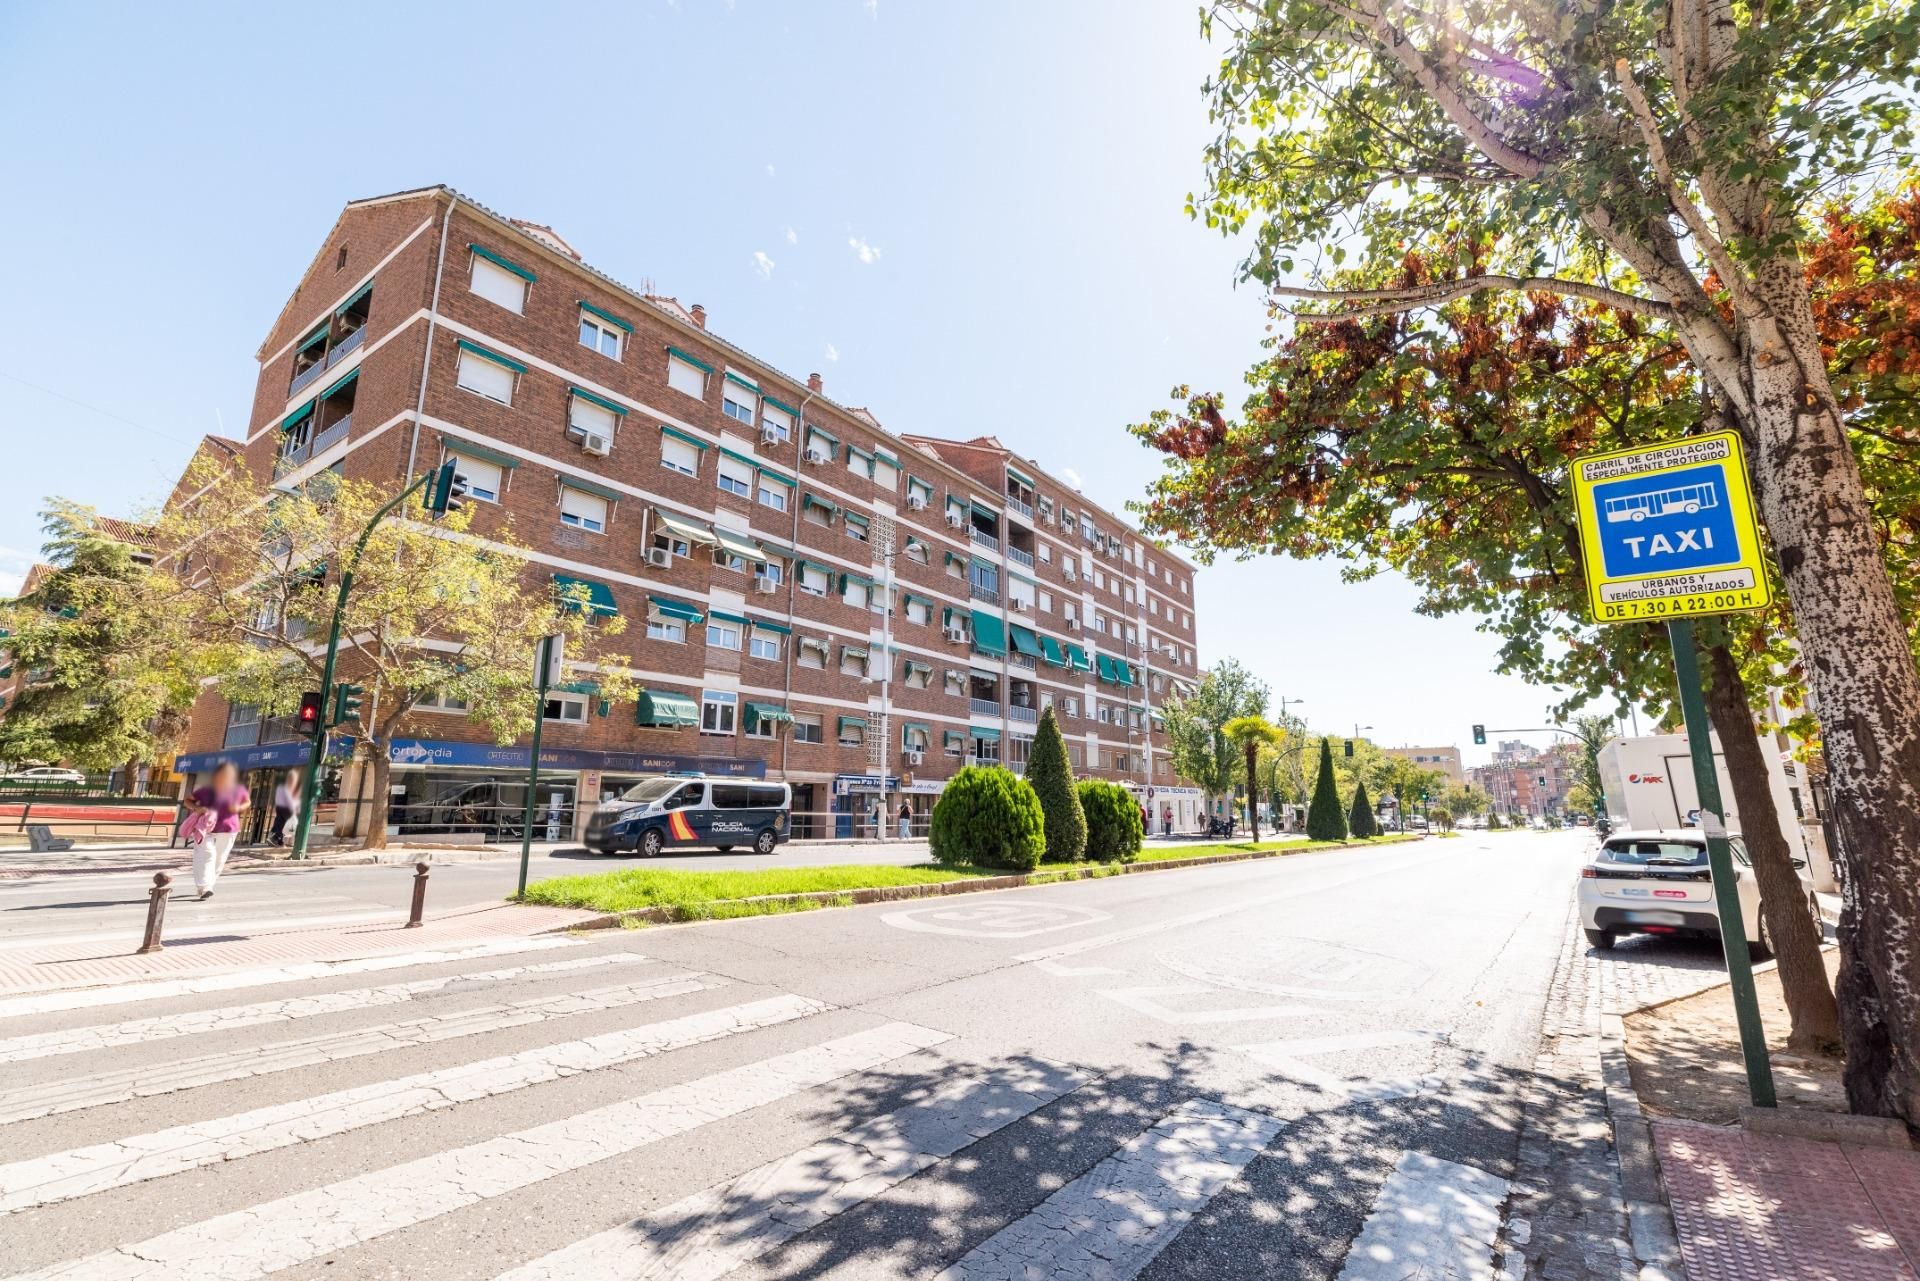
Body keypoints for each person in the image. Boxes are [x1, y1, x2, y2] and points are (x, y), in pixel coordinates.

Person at [185, 761, 250, 900]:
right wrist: (197, 808)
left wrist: (238, 808)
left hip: (229, 828)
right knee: (206, 855)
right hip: (205, 828)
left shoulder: (238, 790)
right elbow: (187, 801)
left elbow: (247, 802)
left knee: (219, 859)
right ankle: (204, 887)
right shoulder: (206, 790)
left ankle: (208, 886)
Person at [270, 769, 300, 846]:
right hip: (286, 808)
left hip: (279, 807)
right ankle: (277, 838)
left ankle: (275, 838)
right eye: (294, 779)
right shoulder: (286, 788)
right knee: (286, 824)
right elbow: (289, 799)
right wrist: (294, 810)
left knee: (280, 822)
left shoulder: (281, 787)